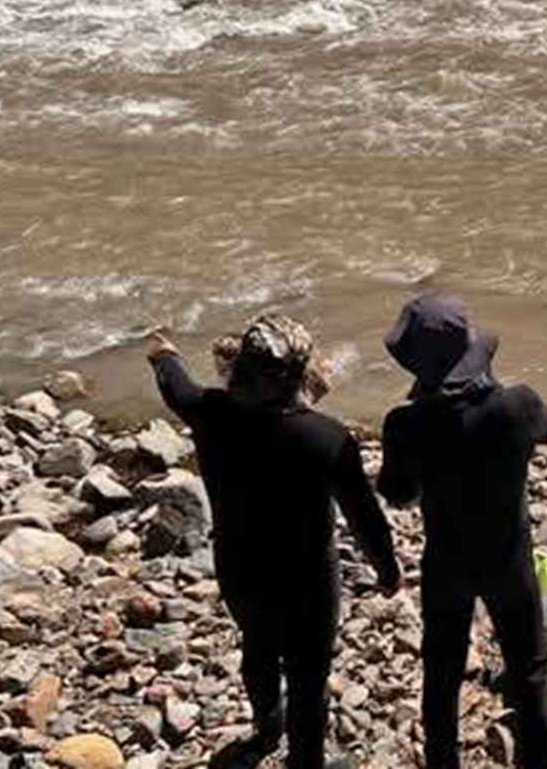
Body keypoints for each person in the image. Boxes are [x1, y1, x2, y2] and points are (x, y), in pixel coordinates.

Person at [147, 315, 401, 769]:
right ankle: (306, 761)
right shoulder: (325, 437)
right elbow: (365, 517)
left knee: (258, 646)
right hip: (307, 583)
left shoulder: (209, 411)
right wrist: (387, 570)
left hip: (240, 569)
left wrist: (164, 353)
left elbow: (175, 384)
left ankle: (267, 727)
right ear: (298, 377)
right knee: (309, 679)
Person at [377, 293, 547, 769]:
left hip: (448, 563)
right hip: (508, 558)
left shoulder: (404, 424)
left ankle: (442, 762)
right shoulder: (517, 406)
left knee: (442, 672)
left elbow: (397, 492)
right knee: (531, 672)